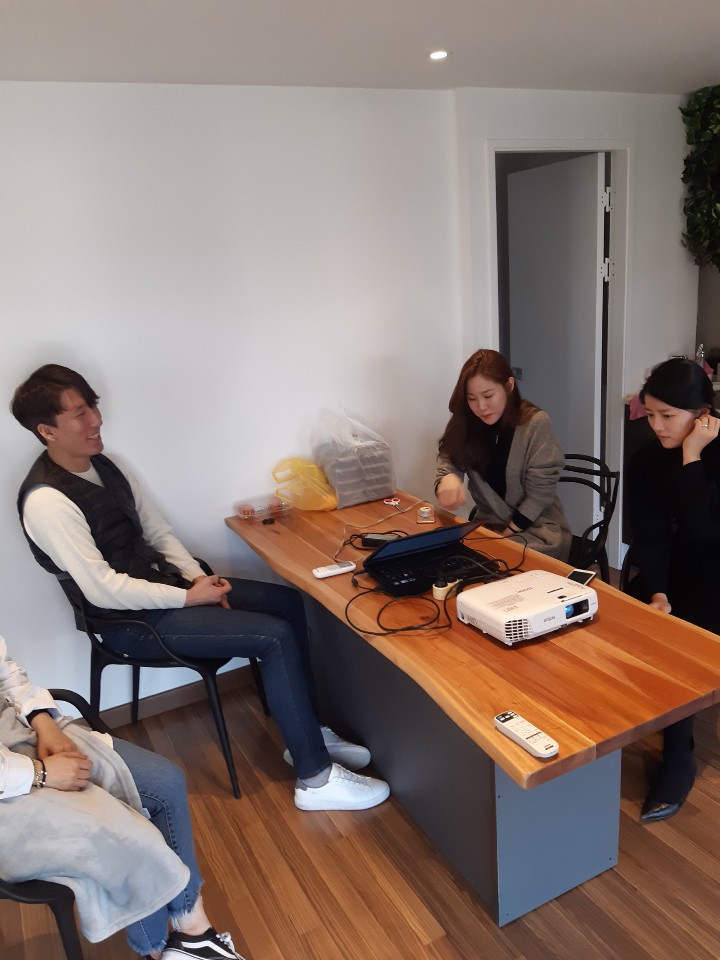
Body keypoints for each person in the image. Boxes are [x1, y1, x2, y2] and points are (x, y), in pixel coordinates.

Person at [11, 364, 389, 814]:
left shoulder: (109, 466)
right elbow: (103, 591)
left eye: (93, 405)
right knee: (273, 636)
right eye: (79, 413)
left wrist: (196, 578)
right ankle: (316, 779)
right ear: (47, 430)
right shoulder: (47, 501)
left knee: (287, 601)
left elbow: (158, 533)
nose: (96, 419)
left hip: (169, 590)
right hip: (127, 623)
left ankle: (307, 733)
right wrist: (190, 597)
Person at [0, 634, 245, 959]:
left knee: (165, 783)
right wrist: (40, 773)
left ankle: (193, 932)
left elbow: (6, 672)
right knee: (126, 834)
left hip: (15, 731)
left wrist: (43, 722)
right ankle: (156, 950)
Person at [627, 356, 720, 823]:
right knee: (636, 613)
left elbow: (704, 531)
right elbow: (650, 537)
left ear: (702, 415)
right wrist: (658, 592)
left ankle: (678, 757)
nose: (657, 426)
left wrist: (692, 457)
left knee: (683, 639)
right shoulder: (646, 459)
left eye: (668, 415)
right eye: (651, 414)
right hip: (678, 569)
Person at [435, 349, 571, 560]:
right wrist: (447, 480)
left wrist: (504, 537)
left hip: (537, 531)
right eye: (472, 399)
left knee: (490, 562)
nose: (481, 407)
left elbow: (539, 496)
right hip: (489, 527)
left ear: (509, 385)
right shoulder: (468, 423)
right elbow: (447, 464)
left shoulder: (535, 424)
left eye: (488, 396)